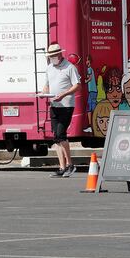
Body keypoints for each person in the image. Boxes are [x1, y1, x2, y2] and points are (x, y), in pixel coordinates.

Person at [42, 43, 81, 177]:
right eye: (50, 56)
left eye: (53, 56)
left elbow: (77, 86)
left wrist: (64, 94)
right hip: (54, 105)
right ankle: (62, 167)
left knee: (60, 134)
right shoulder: (49, 68)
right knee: (56, 138)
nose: (52, 58)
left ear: (60, 55)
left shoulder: (70, 67)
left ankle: (70, 164)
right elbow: (47, 85)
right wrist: (44, 93)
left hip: (66, 105)